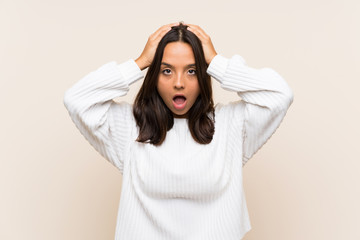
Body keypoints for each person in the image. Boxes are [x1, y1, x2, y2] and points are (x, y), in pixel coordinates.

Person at [63, 22, 294, 240]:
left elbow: (279, 95)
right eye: (166, 71)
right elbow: (76, 99)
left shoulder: (231, 125)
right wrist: (140, 62)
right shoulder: (130, 127)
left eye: (192, 71)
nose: (179, 83)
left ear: (204, 75)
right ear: (153, 78)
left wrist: (216, 62)